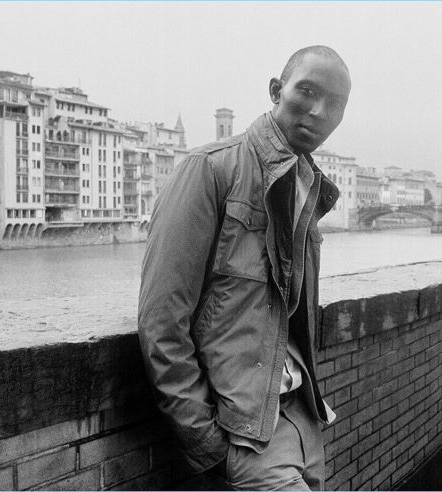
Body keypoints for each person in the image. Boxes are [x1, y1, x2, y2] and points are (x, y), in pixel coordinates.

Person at [138, 45, 351, 490]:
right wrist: (206, 441)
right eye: (307, 91)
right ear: (276, 90)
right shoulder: (208, 169)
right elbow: (162, 321)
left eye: (334, 104)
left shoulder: (309, 189)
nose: (318, 111)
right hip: (247, 440)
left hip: (304, 424)